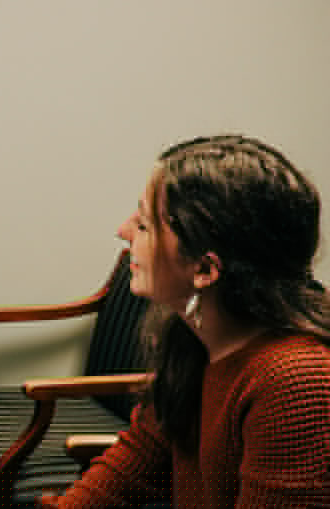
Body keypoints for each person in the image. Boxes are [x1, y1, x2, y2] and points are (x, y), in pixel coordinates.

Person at [42, 135, 330, 508]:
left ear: (205, 269)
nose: (124, 231)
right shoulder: (195, 337)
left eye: (144, 225)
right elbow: (133, 466)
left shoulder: (296, 383)